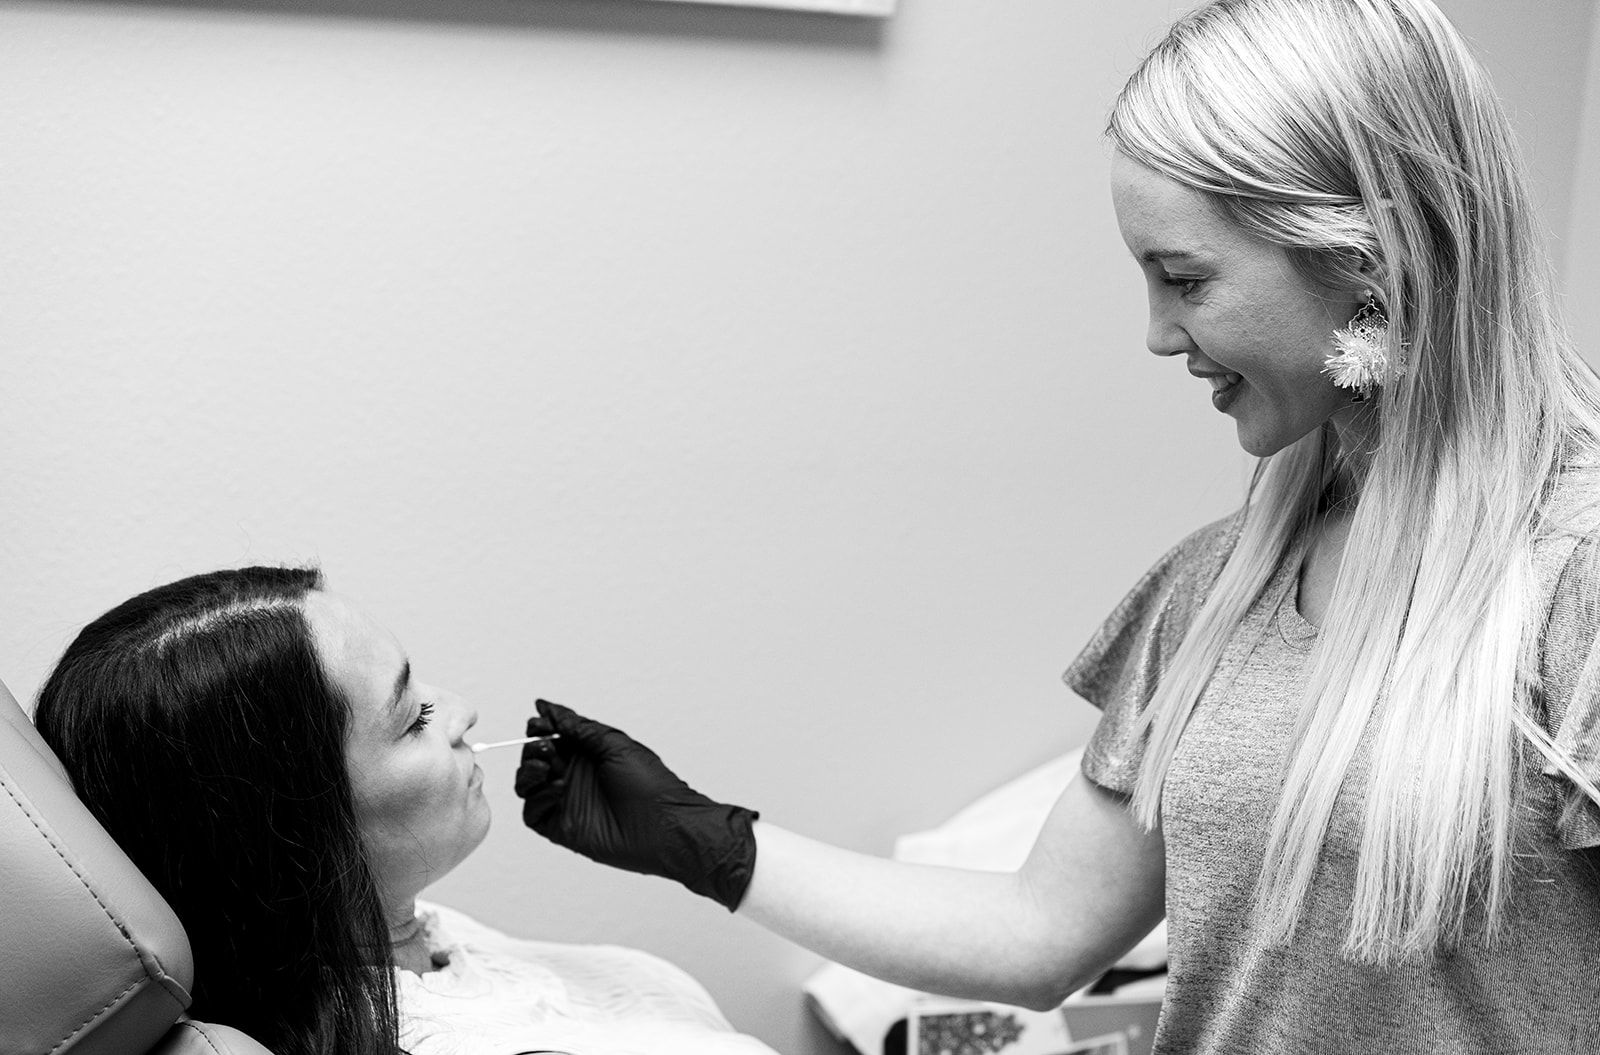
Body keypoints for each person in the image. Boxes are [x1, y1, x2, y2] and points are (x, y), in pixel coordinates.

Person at [512, 1, 1600, 1051]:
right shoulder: (1219, 589)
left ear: (1369, 258)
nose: (1157, 334)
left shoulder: (1574, 576)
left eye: (1185, 278)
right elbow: (1039, 932)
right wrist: (700, 836)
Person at [32, 567, 778, 1055]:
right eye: (413, 717)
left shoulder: (416, 939)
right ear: (296, 833)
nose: (463, 710)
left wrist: (708, 845)